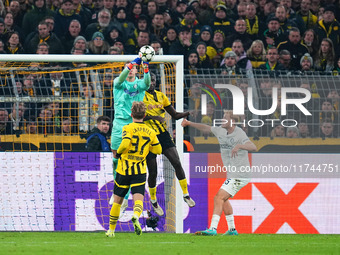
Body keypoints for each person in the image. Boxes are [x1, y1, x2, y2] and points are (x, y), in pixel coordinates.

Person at [182, 110, 257, 235]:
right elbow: (206, 127)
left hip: (240, 174)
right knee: (224, 199)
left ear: (232, 121)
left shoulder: (239, 133)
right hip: (233, 174)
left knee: (218, 197)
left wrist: (239, 146)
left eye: (225, 118)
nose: (222, 120)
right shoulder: (221, 131)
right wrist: (189, 123)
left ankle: (213, 229)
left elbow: (253, 147)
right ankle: (232, 230)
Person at [106, 101, 162, 238]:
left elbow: (125, 144)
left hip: (124, 170)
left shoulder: (128, 127)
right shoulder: (151, 131)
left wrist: (118, 153)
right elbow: (159, 149)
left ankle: (111, 231)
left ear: (131, 114)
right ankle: (136, 216)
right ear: (144, 115)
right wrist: (147, 148)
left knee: (117, 201)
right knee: (138, 201)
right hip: (140, 171)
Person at [143, 72, 195, 216]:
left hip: (163, 135)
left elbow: (175, 115)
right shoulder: (139, 96)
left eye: (153, 80)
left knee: (176, 162)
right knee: (153, 171)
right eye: (148, 80)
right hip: (148, 137)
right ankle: (153, 200)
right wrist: (154, 116)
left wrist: (187, 113)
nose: (151, 83)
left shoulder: (161, 96)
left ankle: (185, 194)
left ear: (155, 81)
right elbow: (137, 115)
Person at [109, 56, 150, 209]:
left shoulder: (140, 84)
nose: (131, 70)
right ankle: (118, 193)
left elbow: (147, 83)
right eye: (128, 68)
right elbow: (120, 80)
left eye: (133, 68)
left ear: (137, 70)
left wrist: (146, 69)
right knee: (115, 160)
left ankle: (124, 196)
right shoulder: (118, 83)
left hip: (134, 125)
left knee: (129, 160)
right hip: (119, 124)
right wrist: (131, 64)